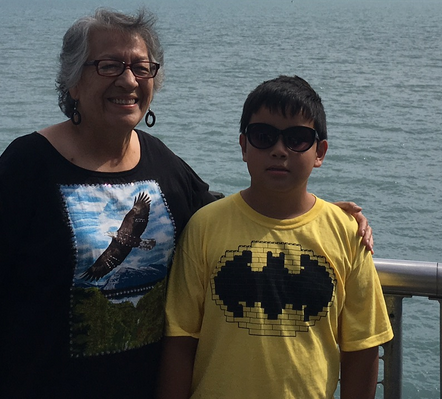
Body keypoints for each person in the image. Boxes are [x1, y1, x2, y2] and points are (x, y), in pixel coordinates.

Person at [0, 11, 373, 399]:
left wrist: (319, 214)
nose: (127, 80)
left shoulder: (161, 164)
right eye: (108, 65)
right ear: (73, 80)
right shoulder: (28, 165)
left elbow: (230, 215)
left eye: (141, 68)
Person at [158, 75, 393, 399]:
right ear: (244, 146)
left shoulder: (345, 233)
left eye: (297, 139)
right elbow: (181, 339)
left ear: (319, 151)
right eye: (264, 136)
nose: (279, 150)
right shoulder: (205, 228)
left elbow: (362, 345)